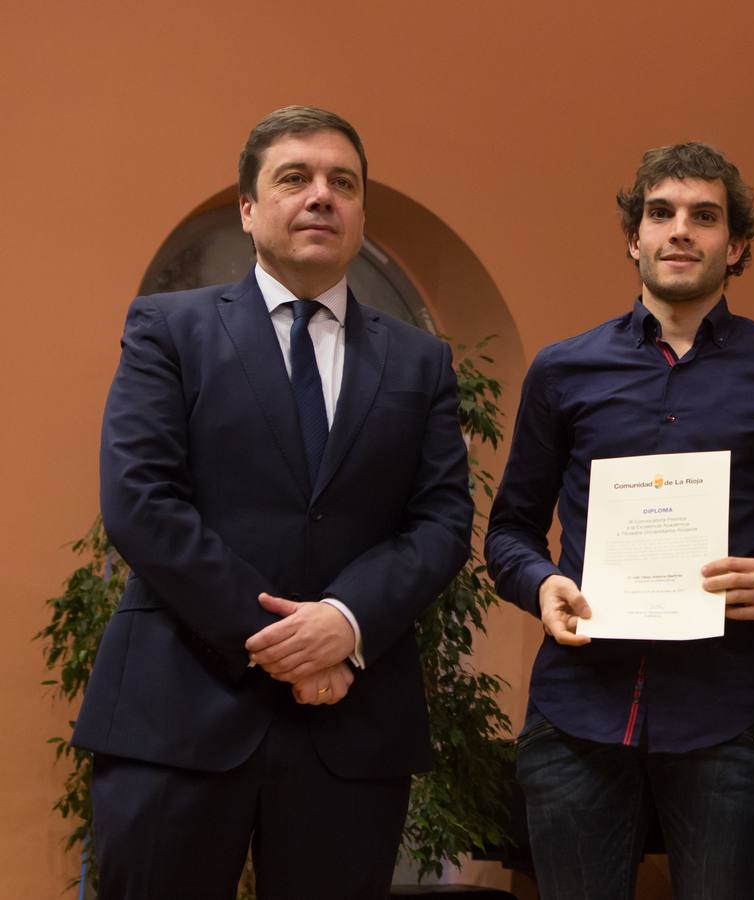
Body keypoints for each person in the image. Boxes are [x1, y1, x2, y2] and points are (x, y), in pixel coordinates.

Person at [74, 105, 474, 899]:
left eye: (343, 183)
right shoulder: (168, 329)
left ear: (360, 213)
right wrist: (285, 640)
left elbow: (441, 523)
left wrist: (346, 624)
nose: (321, 196)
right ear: (250, 211)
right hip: (179, 711)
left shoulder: (421, 361)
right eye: (294, 178)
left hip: (350, 728)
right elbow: (141, 502)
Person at [484, 141, 754, 900]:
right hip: (576, 713)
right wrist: (542, 585)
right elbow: (507, 532)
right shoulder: (562, 370)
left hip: (727, 716)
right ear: (632, 238)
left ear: (734, 245)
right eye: (660, 213)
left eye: (704, 217)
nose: (680, 230)